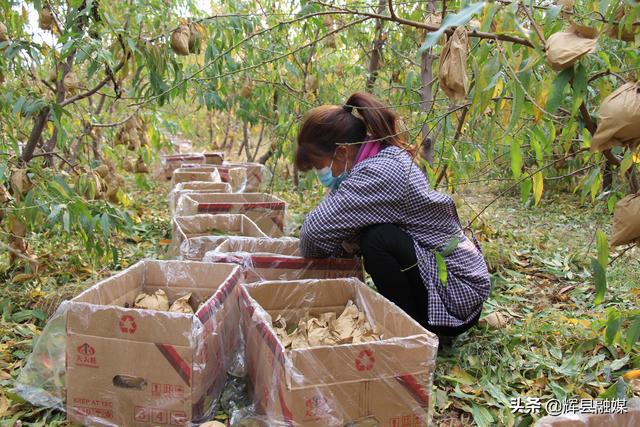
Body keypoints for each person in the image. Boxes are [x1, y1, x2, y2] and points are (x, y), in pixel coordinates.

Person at [296, 92, 490, 340]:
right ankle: (411, 327)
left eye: (319, 165)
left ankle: (412, 335)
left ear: (342, 152)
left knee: (378, 239)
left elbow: (314, 235)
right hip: (453, 284)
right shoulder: (378, 160)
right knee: (368, 234)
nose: (320, 173)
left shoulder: (379, 172)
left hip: (457, 295)